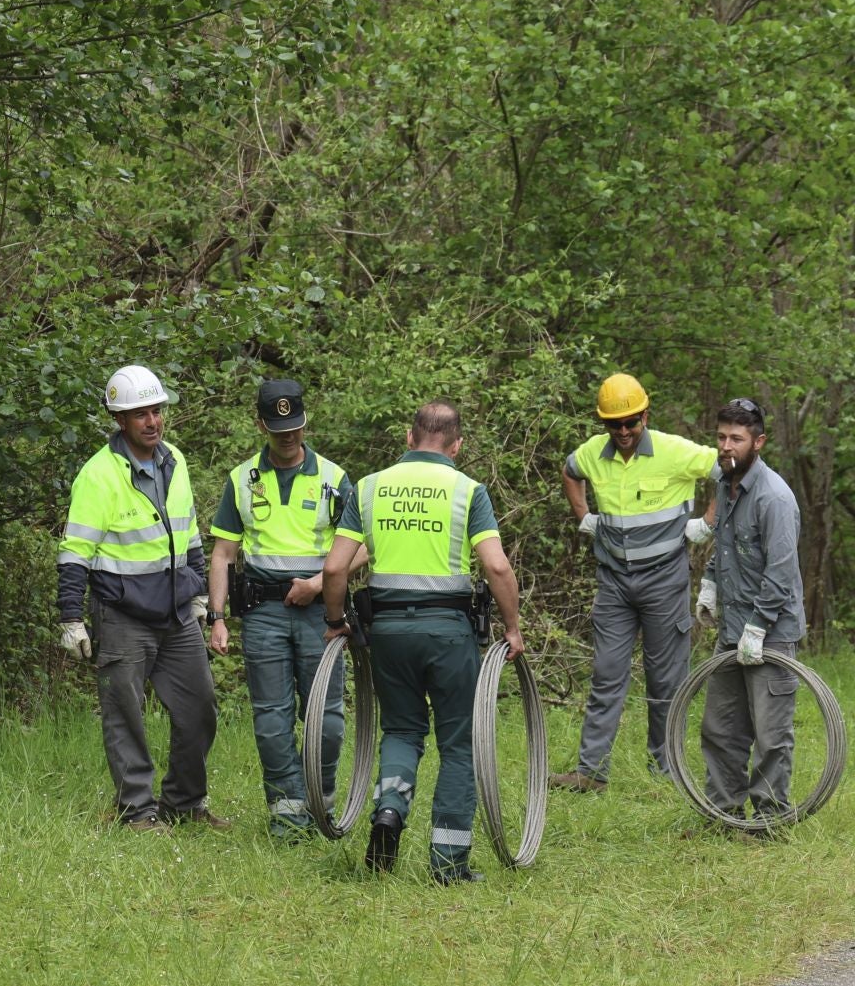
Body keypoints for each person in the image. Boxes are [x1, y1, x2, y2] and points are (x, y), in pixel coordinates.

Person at [320, 399, 524, 883]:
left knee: (402, 731)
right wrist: (513, 627)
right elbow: (495, 566)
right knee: (458, 744)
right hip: (449, 633)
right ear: (457, 446)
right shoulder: (467, 490)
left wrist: (335, 621)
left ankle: (389, 812)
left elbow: (334, 568)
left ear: (409, 439)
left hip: (387, 632)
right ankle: (449, 864)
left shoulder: (369, 487)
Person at [57, 365, 227, 832]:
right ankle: (137, 811)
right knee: (125, 715)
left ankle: (185, 803)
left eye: (157, 411)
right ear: (120, 419)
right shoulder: (98, 475)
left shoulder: (175, 460)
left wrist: (195, 590)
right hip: (122, 615)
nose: (152, 421)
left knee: (199, 707)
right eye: (140, 415)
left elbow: (189, 532)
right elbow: (76, 551)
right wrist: (71, 617)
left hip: (175, 614)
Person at [207, 379, 365, 838]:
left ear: (304, 421)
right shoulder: (241, 480)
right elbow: (223, 553)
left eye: (294, 427)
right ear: (260, 424)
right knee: (272, 720)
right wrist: (217, 617)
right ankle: (288, 814)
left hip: (321, 612)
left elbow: (361, 548)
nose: (288, 436)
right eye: (278, 429)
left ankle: (322, 802)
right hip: (263, 613)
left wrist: (320, 584)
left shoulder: (334, 478)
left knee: (327, 719)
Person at [551, 373, 717, 793]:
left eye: (630, 422)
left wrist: (706, 525)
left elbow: (727, 469)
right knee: (606, 674)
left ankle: (666, 771)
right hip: (614, 583)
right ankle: (591, 773)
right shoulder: (592, 453)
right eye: (614, 424)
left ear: (645, 415)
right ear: (603, 423)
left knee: (666, 680)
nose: (623, 432)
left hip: (665, 579)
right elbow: (569, 471)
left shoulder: (673, 450)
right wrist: (583, 517)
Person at [697, 397, 805, 821]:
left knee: (771, 734)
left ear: (757, 442)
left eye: (737, 439)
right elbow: (724, 546)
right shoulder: (725, 485)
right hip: (731, 630)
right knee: (720, 727)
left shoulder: (774, 498)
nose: (727, 446)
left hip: (770, 632)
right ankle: (723, 811)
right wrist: (709, 583)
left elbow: (780, 573)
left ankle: (770, 819)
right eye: (722, 437)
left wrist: (758, 627)